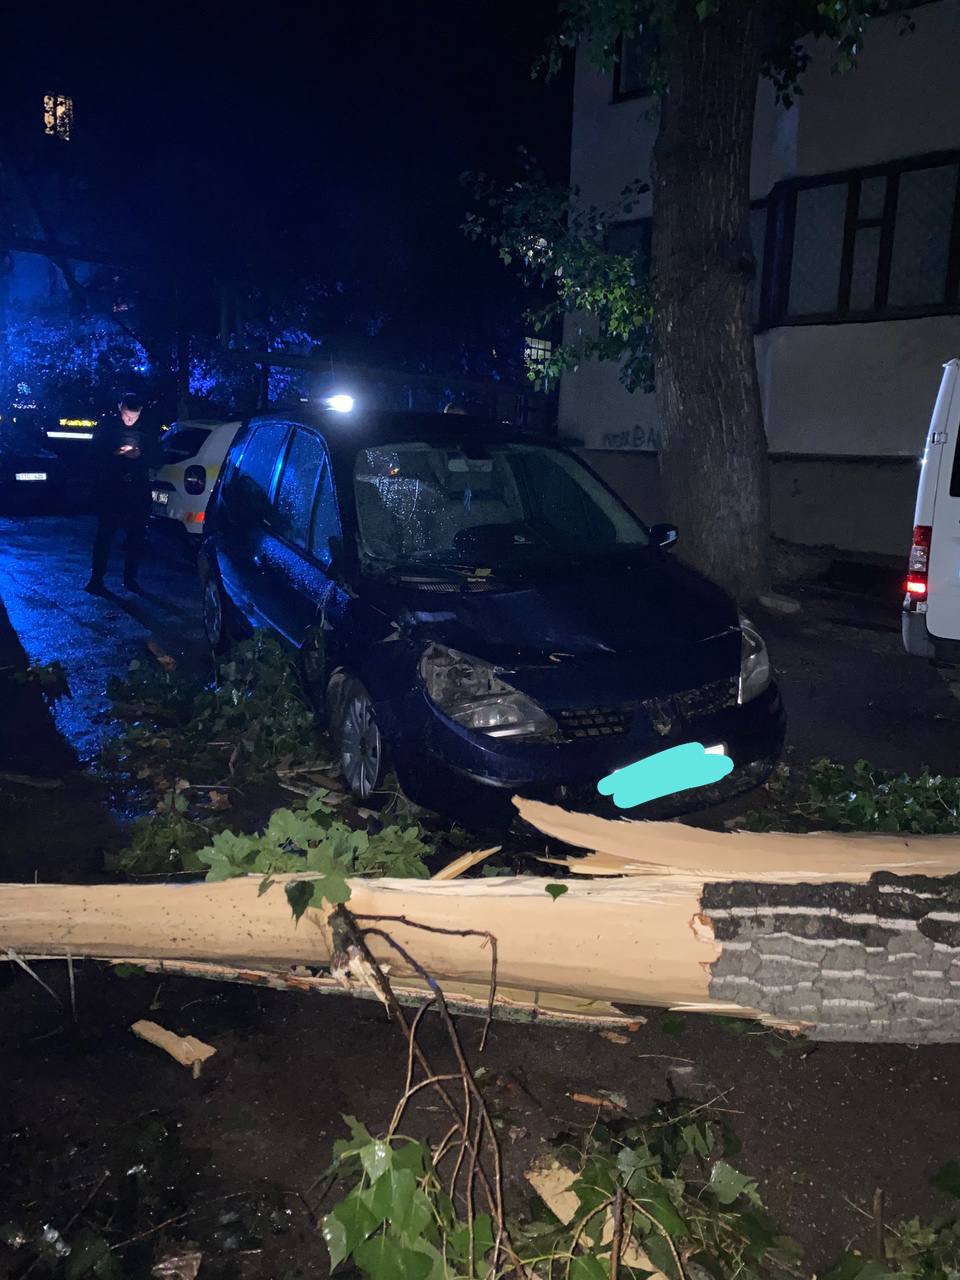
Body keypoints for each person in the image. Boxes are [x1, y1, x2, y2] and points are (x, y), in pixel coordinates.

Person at [84, 392, 161, 594]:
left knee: (136, 536)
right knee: (105, 535)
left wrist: (140, 456)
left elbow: (158, 458)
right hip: (112, 489)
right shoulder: (107, 427)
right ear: (120, 408)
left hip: (138, 489)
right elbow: (93, 455)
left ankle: (130, 578)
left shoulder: (147, 431)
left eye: (133, 417)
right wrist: (115, 455)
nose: (129, 420)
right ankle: (97, 579)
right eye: (127, 415)